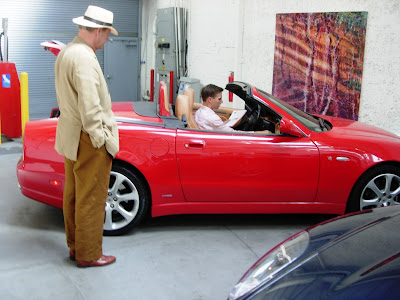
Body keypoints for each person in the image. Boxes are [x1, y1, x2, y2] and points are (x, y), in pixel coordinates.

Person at [54, 5, 119, 268]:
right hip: (87, 137)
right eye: (107, 34)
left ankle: (75, 245)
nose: (107, 39)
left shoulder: (67, 52)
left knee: (73, 194)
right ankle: (89, 253)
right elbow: (90, 105)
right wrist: (99, 138)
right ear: (100, 31)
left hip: (70, 135)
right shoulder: (85, 58)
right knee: (91, 197)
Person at [194, 84, 272, 133]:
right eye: (219, 99)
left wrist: (223, 124)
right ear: (210, 99)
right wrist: (259, 133)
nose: (221, 101)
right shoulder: (212, 118)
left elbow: (213, 127)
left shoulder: (199, 112)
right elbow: (233, 134)